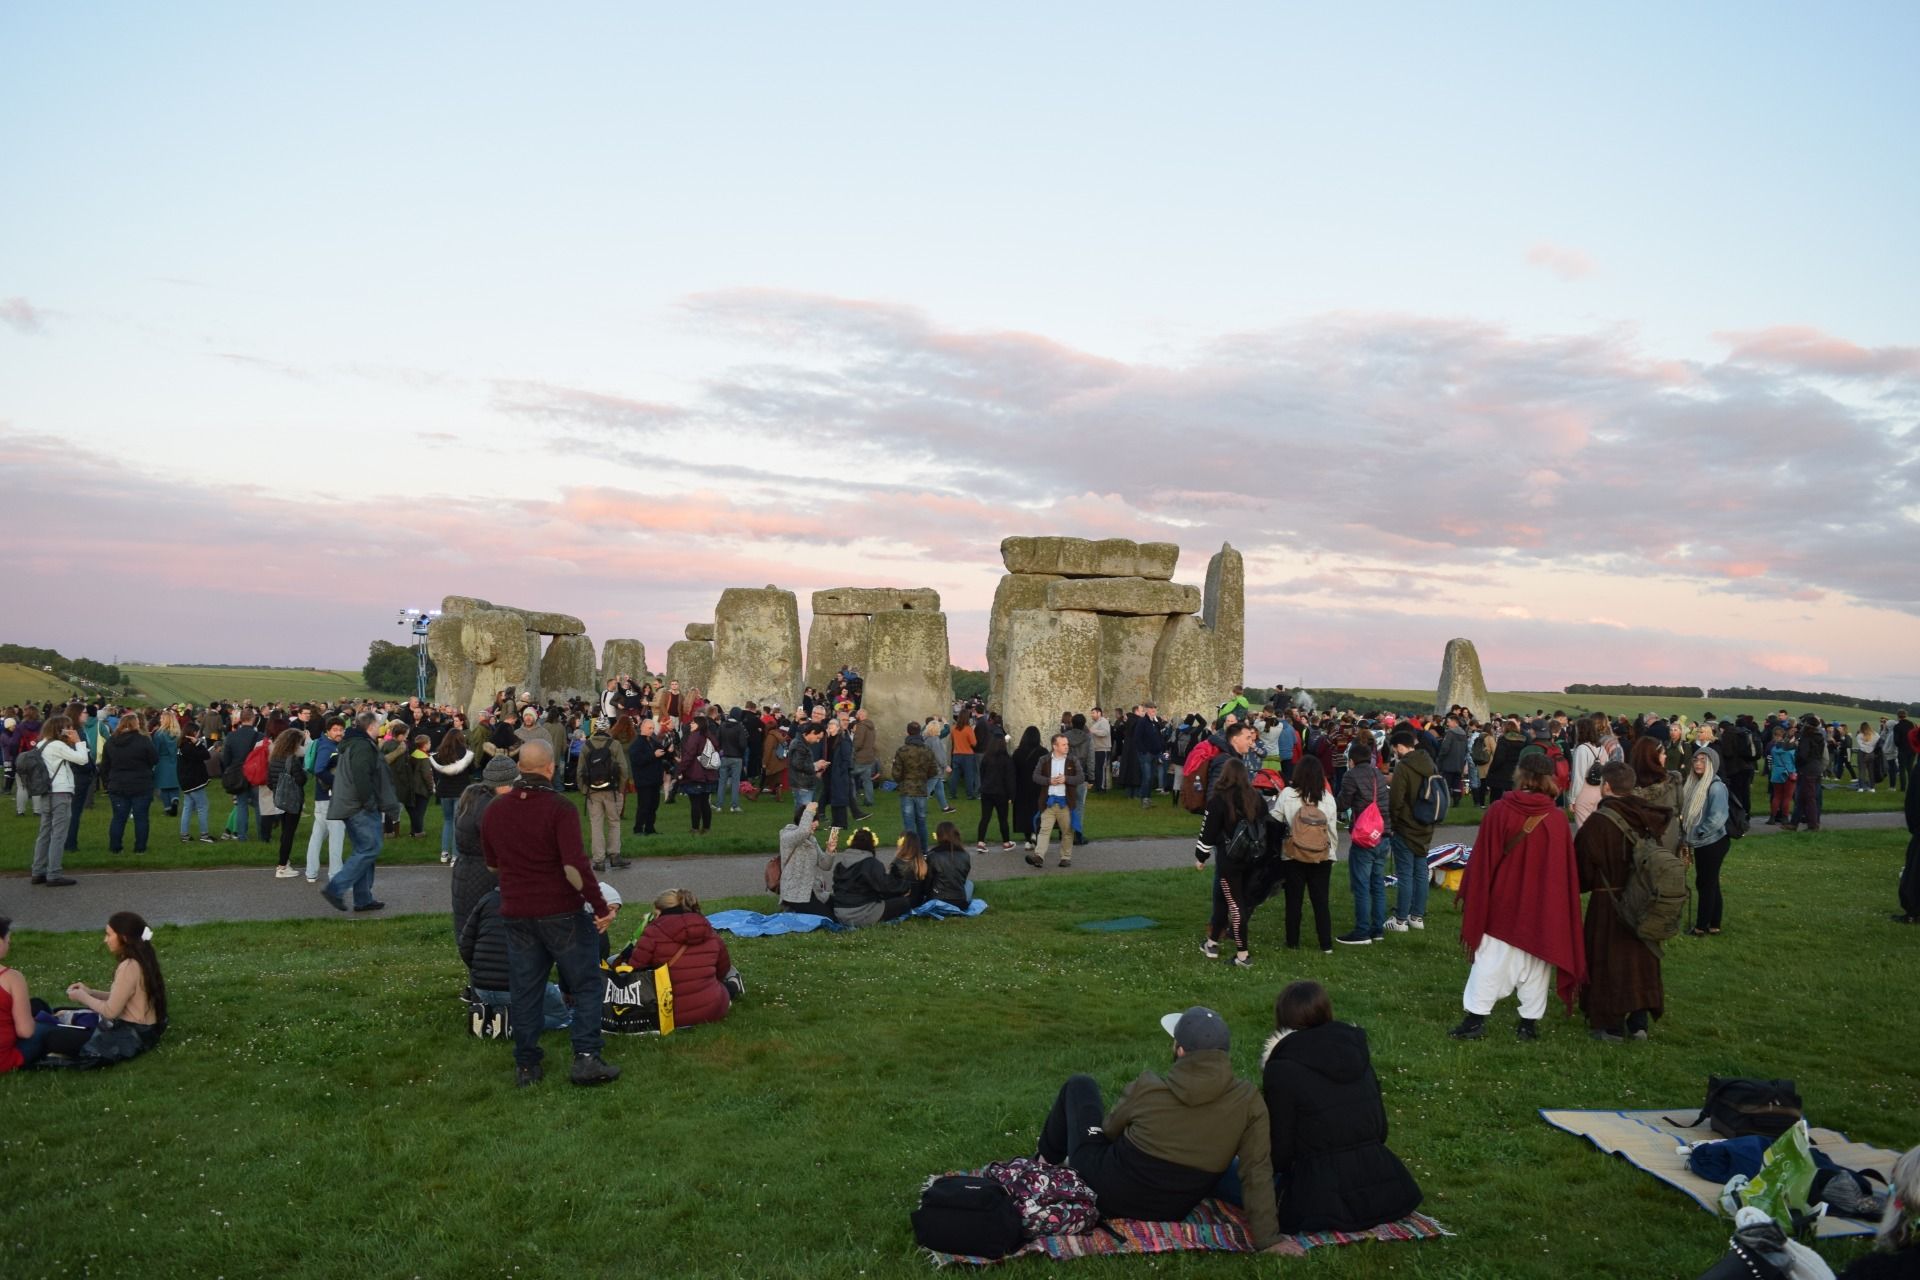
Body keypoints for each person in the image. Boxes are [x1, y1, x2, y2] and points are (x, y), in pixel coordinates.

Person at [1031, 1007, 1284, 1252]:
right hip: (1171, 1209)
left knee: (1080, 1085)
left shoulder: (1148, 1088)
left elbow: (1108, 1131)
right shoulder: (1248, 1101)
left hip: (1105, 1192)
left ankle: (1041, 1166)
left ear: (1180, 1050)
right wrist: (1268, 1239)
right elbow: (1256, 1170)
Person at [480, 739, 619, 1088]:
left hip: (516, 910)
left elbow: (492, 865)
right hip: (560, 910)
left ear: (519, 768)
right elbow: (574, 867)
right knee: (586, 983)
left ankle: (527, 1065)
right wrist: (600, 906)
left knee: (526, 988)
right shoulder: (559, 808)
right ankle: (586, 1057)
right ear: (550, 767)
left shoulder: (496, 810)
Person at [1233, 981, 1423, 1233]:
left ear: (1282, 1017)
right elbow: (1380, 1131)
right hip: (1383, 1185)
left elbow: (1280, 1155)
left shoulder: (1282, 1069)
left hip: (1319, 1194)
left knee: (1227, 1171)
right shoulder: (1355, 1052)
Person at [1450, 753, 1586, 1042]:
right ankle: (1527, 1024)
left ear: (1520, 774)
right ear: (1550, 779)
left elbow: (1484, 861)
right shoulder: (1557, 819)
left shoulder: (1501, 810)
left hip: (1504, 901)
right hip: (1543, 905)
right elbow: (1562, 873)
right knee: (1535, 963)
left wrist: (1478, 894)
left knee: (1491, 961)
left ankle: (1476, 1020)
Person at [1575, 762, 1673, 1040]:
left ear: (1606, 786)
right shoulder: (1649, 815)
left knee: (1608, 959)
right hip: (1645, 899)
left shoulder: (1599, 822)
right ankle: (1639, 1021)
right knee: (1641, 958)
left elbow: (1581, 871)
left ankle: (1611, 1024)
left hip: (1609, 901)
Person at [47, 911, 168, 1061]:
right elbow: (122, 998)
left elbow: (110, 1011)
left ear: (124, 937)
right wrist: (91, 992)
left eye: (109, 935)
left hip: (132, 1036)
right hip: (147, 1031)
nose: (105, 940)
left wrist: (82, 997)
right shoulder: (143, 958)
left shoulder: (129, 966)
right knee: (60, 1014)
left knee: (53, 1037)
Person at [458, 885, 573, 1032]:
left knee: (510, 1003)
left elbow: (465, 944)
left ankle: (489, 1017)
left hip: (482, 987)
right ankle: (512, 1024)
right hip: (519, 987)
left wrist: (479, 971)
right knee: (561, 1018)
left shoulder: (487, 900)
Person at [321, 713, 401, 914]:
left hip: (352, 804)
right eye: (378, 725)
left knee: (364, 850)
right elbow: (361, 776)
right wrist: (369, 802)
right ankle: (335, 888)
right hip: (359, 806)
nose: (380, 729)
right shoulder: (362, 746)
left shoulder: (354, 744)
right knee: (369, 848)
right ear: (371, 726)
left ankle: (363, 899)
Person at [626, 888, 734, 1027]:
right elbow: (723, 969)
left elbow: (634, 971)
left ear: (659, 911)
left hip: (665, 1013)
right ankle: (733, 987)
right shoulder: (709, 931)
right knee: (728, 974)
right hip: (711, 1010)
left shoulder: (653, 933)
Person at [1194, 757, 1265, 967]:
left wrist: (1201, 857)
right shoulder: (1256, 798)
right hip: (1252, 859)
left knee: (1234, 905)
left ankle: (1243, 955)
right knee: (1222, 900)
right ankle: (1212, 943)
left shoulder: (1218, 800)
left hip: (1229, 861)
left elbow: (1207, 832)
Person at [1273, 756, 1339, 953]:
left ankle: (1292, 941)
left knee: (1293, 901)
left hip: (1293, 854)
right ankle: (1325, 944)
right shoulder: (1328, 798)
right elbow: (1332, 831)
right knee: (1321, 902)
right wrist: (1331, 853)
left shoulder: (1287, 794)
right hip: (1321, 856)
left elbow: (1274, 821)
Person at [451, 755, 519, 936]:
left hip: (466, 873)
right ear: (502, 784)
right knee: (485, 933)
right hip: (483, 877)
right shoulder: (490, 808)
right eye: (513, 784)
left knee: (468, 931)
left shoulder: (474, 799)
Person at [1335, 737, 1390, 946]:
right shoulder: (1378, 774)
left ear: (1352, 760)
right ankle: (1377, 929)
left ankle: (1362, 931)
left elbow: (1343, 803)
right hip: (1382, 833)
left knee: (1361, 885)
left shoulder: (1351, 775)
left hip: (1365, 836)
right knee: (1377, 884)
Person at [1384, 728, 1437, 933]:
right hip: (1426, 824)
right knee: (1421, 872)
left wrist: (1393, 823)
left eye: (1394, 749)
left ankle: (1400, 920)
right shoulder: (1430, 763)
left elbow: (1396, 800)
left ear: (1399, 747)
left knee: (1405, 874)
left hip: (1406, 826)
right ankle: (1417, 916)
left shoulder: (1404, 767)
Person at [1681, 744, 1731, 938]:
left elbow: (1718, 817)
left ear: (1712, 763)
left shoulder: (1716, 786)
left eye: (1703, 760)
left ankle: (1701, 926)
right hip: (1702, 842)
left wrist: (1698, 833)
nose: (1698, 763)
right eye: (1696, 759)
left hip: (1713, 842)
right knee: (1711, 882)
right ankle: (1714, 924)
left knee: (1705, 883)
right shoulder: (1694, 784)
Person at [31, 714, 86, 887]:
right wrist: (78, 741)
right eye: (68, 727)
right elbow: (82, 760)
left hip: (46, 792)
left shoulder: (41, 744)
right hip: (60, 792)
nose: (71, 730)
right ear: (60, 729)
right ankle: (54, 873)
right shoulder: (57, 745)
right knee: (59, 834)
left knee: (44, 833)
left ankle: (38, 871)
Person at [830, 827, 913, 926]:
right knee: (904, 903)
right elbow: (886, 887)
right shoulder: (871, 864)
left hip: (840, 913)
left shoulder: (840, 865)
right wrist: (905, 886)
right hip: (862, 913)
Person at [101, 713, 159, 855]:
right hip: (141, 783)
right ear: (136, 725)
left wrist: (107, 783)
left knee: (118, 818)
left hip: (118, 784)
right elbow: (154, 759)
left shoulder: (111, 742)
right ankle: (140, 848)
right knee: (141, 818)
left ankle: (115, 848)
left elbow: (105, 766)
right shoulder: (143, 740)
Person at [0, 915, 50, 1071]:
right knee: (45, 1028)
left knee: (36, 1005)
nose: (9, 943)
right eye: (7, 939)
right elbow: (25, 1032)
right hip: (4, 1059)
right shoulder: (11, 978)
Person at [776, 802, 836, 915]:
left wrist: (830, 851)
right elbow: (803, 832)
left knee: (839, 908)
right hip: (795, 893)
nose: (816, 824)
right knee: (826, 917)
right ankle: (792, 910)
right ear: (804, 819)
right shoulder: (786, 835)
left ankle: (796, 911)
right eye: (813, 820)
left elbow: (825, 865)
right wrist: (809, 810)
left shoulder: (812, 839)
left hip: (814, 891)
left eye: (816, 820)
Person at [430, 728, 477, 866]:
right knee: (457, 823)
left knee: (447, 821)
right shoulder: (466, 754)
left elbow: (436, 773)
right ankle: (455, 856)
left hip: (444, 791)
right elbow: (472, 771)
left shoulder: (440, 754)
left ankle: (444, 853)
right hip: (461, 791)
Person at [892, 722, 940, 854]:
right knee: (921, 822)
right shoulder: (927, 750)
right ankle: (923, 850)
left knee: (909, 823)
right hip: (921, 789)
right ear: (919, 732)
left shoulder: (902, 751)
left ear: (908, 732)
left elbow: (896, 774)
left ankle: (911, 851)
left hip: (907, 789)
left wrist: (901, 779)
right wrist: (923, 776)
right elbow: (933, 770)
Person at [266, 728, 308, 878]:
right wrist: (304, 772)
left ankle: (284, 862)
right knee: (289, 833)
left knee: (285, 832)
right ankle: (282, 866)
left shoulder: (274, 758)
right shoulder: (292, 759)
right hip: (292, 800)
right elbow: (301, 780)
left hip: (279, 799)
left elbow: (269, 781)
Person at [677, 715, 719, 836]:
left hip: (696, 773)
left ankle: (695, 828)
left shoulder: (695, 736)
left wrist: (680, 770)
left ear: (699, 725)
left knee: (695, 802)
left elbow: (689, 755)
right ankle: (706, 828)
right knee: (705, 802)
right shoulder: (709, 736)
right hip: (709, 773)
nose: (691, 724)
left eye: (693, 723)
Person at [974, 731, 1015, 852]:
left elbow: (982, 774)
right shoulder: (1007, 759)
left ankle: (980, 842)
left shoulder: (986, 758)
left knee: (985, 817)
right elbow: (1010, 778)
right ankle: (1006, 842)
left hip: (987, 791)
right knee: (1003, 819)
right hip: (1001, 792)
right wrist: (1011, 795)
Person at [1010, 726, 1046, 848]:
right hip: (1038, 786)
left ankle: (1027, 839)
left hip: (1022, 786)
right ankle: (1036, 834)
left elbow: (1013, 771)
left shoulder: (1018, 753)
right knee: (1037, 810)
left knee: (1024, 812)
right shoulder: (1043, 752)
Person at [925, 821, 973, 908]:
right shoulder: (965, 855)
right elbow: (962, 879)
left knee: (969, 884)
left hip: (937, 900)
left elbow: (928, 881)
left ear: (939, 836)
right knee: (969, 884)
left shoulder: (932, 855)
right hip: (959, 902)